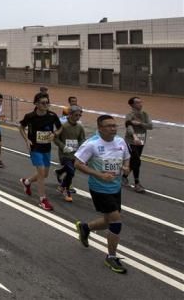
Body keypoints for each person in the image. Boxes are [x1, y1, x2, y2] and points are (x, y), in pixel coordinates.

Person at [74, 114, 131, 274]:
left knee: (108, 221)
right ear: (100, 128)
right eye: (109, 126)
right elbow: (78, 164)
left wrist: (126, 168)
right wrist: (99, 175)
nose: (113, 128)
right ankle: (111, 257)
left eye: (114, 125)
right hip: (99, 188)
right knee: (116, 222)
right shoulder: (91, 144)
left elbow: (127, 158)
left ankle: (85, 227)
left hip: (115, 187)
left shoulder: (120, 141)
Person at [18, 92, 63, 211]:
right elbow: (21, 127)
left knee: (45, 174)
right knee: (42, 172)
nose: (46, 105)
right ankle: (43, 199)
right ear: (36, 104)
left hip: (46, 148)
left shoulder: (52, 116)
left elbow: (60, 128)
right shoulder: (30, 116)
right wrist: (27, 140)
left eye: (48, 102)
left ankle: (27, 182)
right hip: (35, 148)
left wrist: (55, 134)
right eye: (43, 103)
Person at [53, 106, 86, 202]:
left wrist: (80, 146)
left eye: (80, 115)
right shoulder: (63, 126)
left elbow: (82, 139)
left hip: (75, 154)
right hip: (65, 154)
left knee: (70, 172)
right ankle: (66, 190)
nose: (78, 117)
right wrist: (63, 147)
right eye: (76, 115)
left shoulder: (80, 127)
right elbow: (55, 138)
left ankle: (60, 176)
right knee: (71, 172)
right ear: (70, 114)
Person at [123, 97, 152, 193]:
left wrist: (139, 123)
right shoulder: (129, 115)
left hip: (141, 141)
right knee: (137, 160)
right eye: (138, 102)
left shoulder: (145, 114)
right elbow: (128, 126)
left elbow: (150, 126)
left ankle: (123, 177)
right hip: (131, 141)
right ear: (132, 105)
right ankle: (137, 183)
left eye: (141, 102)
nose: (140, 104)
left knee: (134, 161)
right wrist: (134, 136)